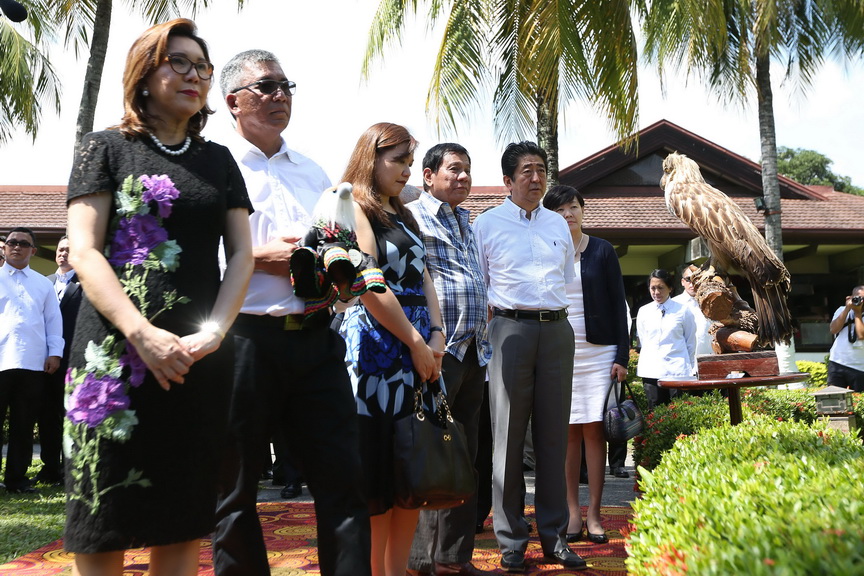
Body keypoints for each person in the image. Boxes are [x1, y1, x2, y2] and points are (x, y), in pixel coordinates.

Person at [64, 19, 254, 576]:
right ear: (144, 75)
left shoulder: (218, 159)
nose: (194, 75)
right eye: (179, 62)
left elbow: (241, 254)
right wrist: (141, 333)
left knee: (184, 511)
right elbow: (83, 251)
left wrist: (215, 332)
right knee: (103, 515)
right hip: (112, 361)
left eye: (202, 66)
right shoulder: (102, 149)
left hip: (197, 359)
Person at [213, 49, 371, 576]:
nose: (280, 96)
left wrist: (334, 264)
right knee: (234, 491)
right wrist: (262, 258)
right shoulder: (212, 165)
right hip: (243, 343)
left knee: (344, 482)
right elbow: (196, 255)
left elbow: (336, 239)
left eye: (286, 86)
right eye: (267, 87)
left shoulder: (313, 171)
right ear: (234, 100)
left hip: (316, 338)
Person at [473, 141, 586, 572]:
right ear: (508, 180)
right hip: (509, 330)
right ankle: (512, 541)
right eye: (526, 171)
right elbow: (481, 286)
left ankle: (555, 537)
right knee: (506, 439)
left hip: (557, 331)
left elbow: (565, 279)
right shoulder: (486, 225)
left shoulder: (560, 225)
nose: (536, 178)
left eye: (541, 169)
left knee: (555, 437)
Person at [339, 122, 445, 576]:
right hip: (377, 351)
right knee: (378, 478)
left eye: (409, 161)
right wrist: (417, 341)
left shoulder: (406, 212)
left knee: (409, 476)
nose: (406, 170)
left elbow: (423, 275)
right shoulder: (354, 207)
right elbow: (367, 284)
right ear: (372, 157)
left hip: (419, 346)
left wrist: (438, 333)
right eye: (398, 160)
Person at [404, 143, 492, 576]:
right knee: (428, 453)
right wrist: (425, 342)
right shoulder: (413, 218)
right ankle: (420, 560)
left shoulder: (466, 220)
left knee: (464, 456)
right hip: (438, 350)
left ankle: (453, 558)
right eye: (453, 170)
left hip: (475, 350)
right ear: (427, 176)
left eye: (467, 171)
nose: (462, 177)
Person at [542, 185, 629, 546]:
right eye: (561, 210)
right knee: (567, 434)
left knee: (594, 431)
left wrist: (623, 357)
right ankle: (571, 513)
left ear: (582, 210)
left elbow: (619, 306)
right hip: (559, 351)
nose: (569, 214)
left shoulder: (602, 251)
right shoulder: (546, 250)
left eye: (574, 207)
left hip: (598, 353)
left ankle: (594, 513)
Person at [0, 227, 63, 494]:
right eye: (12, 242)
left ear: (33, 251)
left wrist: (55, 352)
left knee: (24, 425)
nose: (17, 247)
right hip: (1, 361)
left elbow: (53, 321)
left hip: (33, 363)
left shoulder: (43, 283)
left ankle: (16, 479)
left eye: (23, 244)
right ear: (4, 248)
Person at [36, 236, 83, 485]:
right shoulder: (43, 283)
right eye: (60, 250)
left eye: (68, 250)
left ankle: (70, 471)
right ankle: (49, 469)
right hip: (43, 362)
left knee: (71, 416)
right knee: (47, 416)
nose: (63, 254)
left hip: (73, 360)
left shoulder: (86, 283)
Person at [636, 269, 696, 410]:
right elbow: (644, 340)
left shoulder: (683, 310)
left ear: (670, 288)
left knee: (678, 410)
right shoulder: (644, 311)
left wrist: (690, 367)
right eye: (653, 288)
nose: (656, 292)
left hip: (677, 370)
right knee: (655, 411)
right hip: (651, 370)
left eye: (661, 288)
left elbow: (690, 341)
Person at [672, 264, 715, 371]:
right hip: (684, 366)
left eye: (696, 279)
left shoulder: (712, 302)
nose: (692, 283)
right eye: (688, 279)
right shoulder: (674, 304)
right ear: (682, 282)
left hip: (709, 363)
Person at [827, 286, 864, 392]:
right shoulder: (841, 310)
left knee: (859, 401)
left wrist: (857, 313)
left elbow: (861, 335)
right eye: (858, 298)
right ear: (851, 297)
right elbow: (834, 330)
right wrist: (847, 309)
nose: (861, 301)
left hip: (860, 366)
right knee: (835, 398)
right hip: (837, 362)